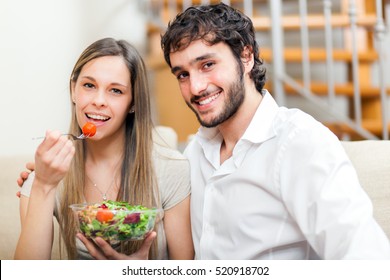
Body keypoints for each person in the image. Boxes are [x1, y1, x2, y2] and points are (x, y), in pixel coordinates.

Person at [160, 3, 390, 259]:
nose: (195, 87)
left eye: (207, 64)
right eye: (182, 75)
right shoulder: (195, 152)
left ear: (246, 57)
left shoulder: (299, 142)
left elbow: (365, 256)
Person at [14, 38, 194, 260]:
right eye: (89, 85)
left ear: (134, 102)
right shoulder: (47, 173)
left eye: (116, 91)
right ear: (73, 90)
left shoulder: (171, 169)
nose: (99, 101)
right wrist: (43, 185)